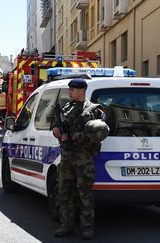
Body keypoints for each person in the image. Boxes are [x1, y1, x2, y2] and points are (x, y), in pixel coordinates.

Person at [52, 78, 105, 240]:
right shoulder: (65, 109)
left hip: (84, 158)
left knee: (85, 194)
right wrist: (57, 131)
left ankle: (87, 228)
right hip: (66, 158)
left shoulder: (94, 110)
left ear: (81, 91)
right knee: (64, 192)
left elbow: (98, 134)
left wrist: (73, 136)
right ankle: (66, 225)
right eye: (69, 90)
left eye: (72, 90)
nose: (69, 92)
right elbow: (55, 127)